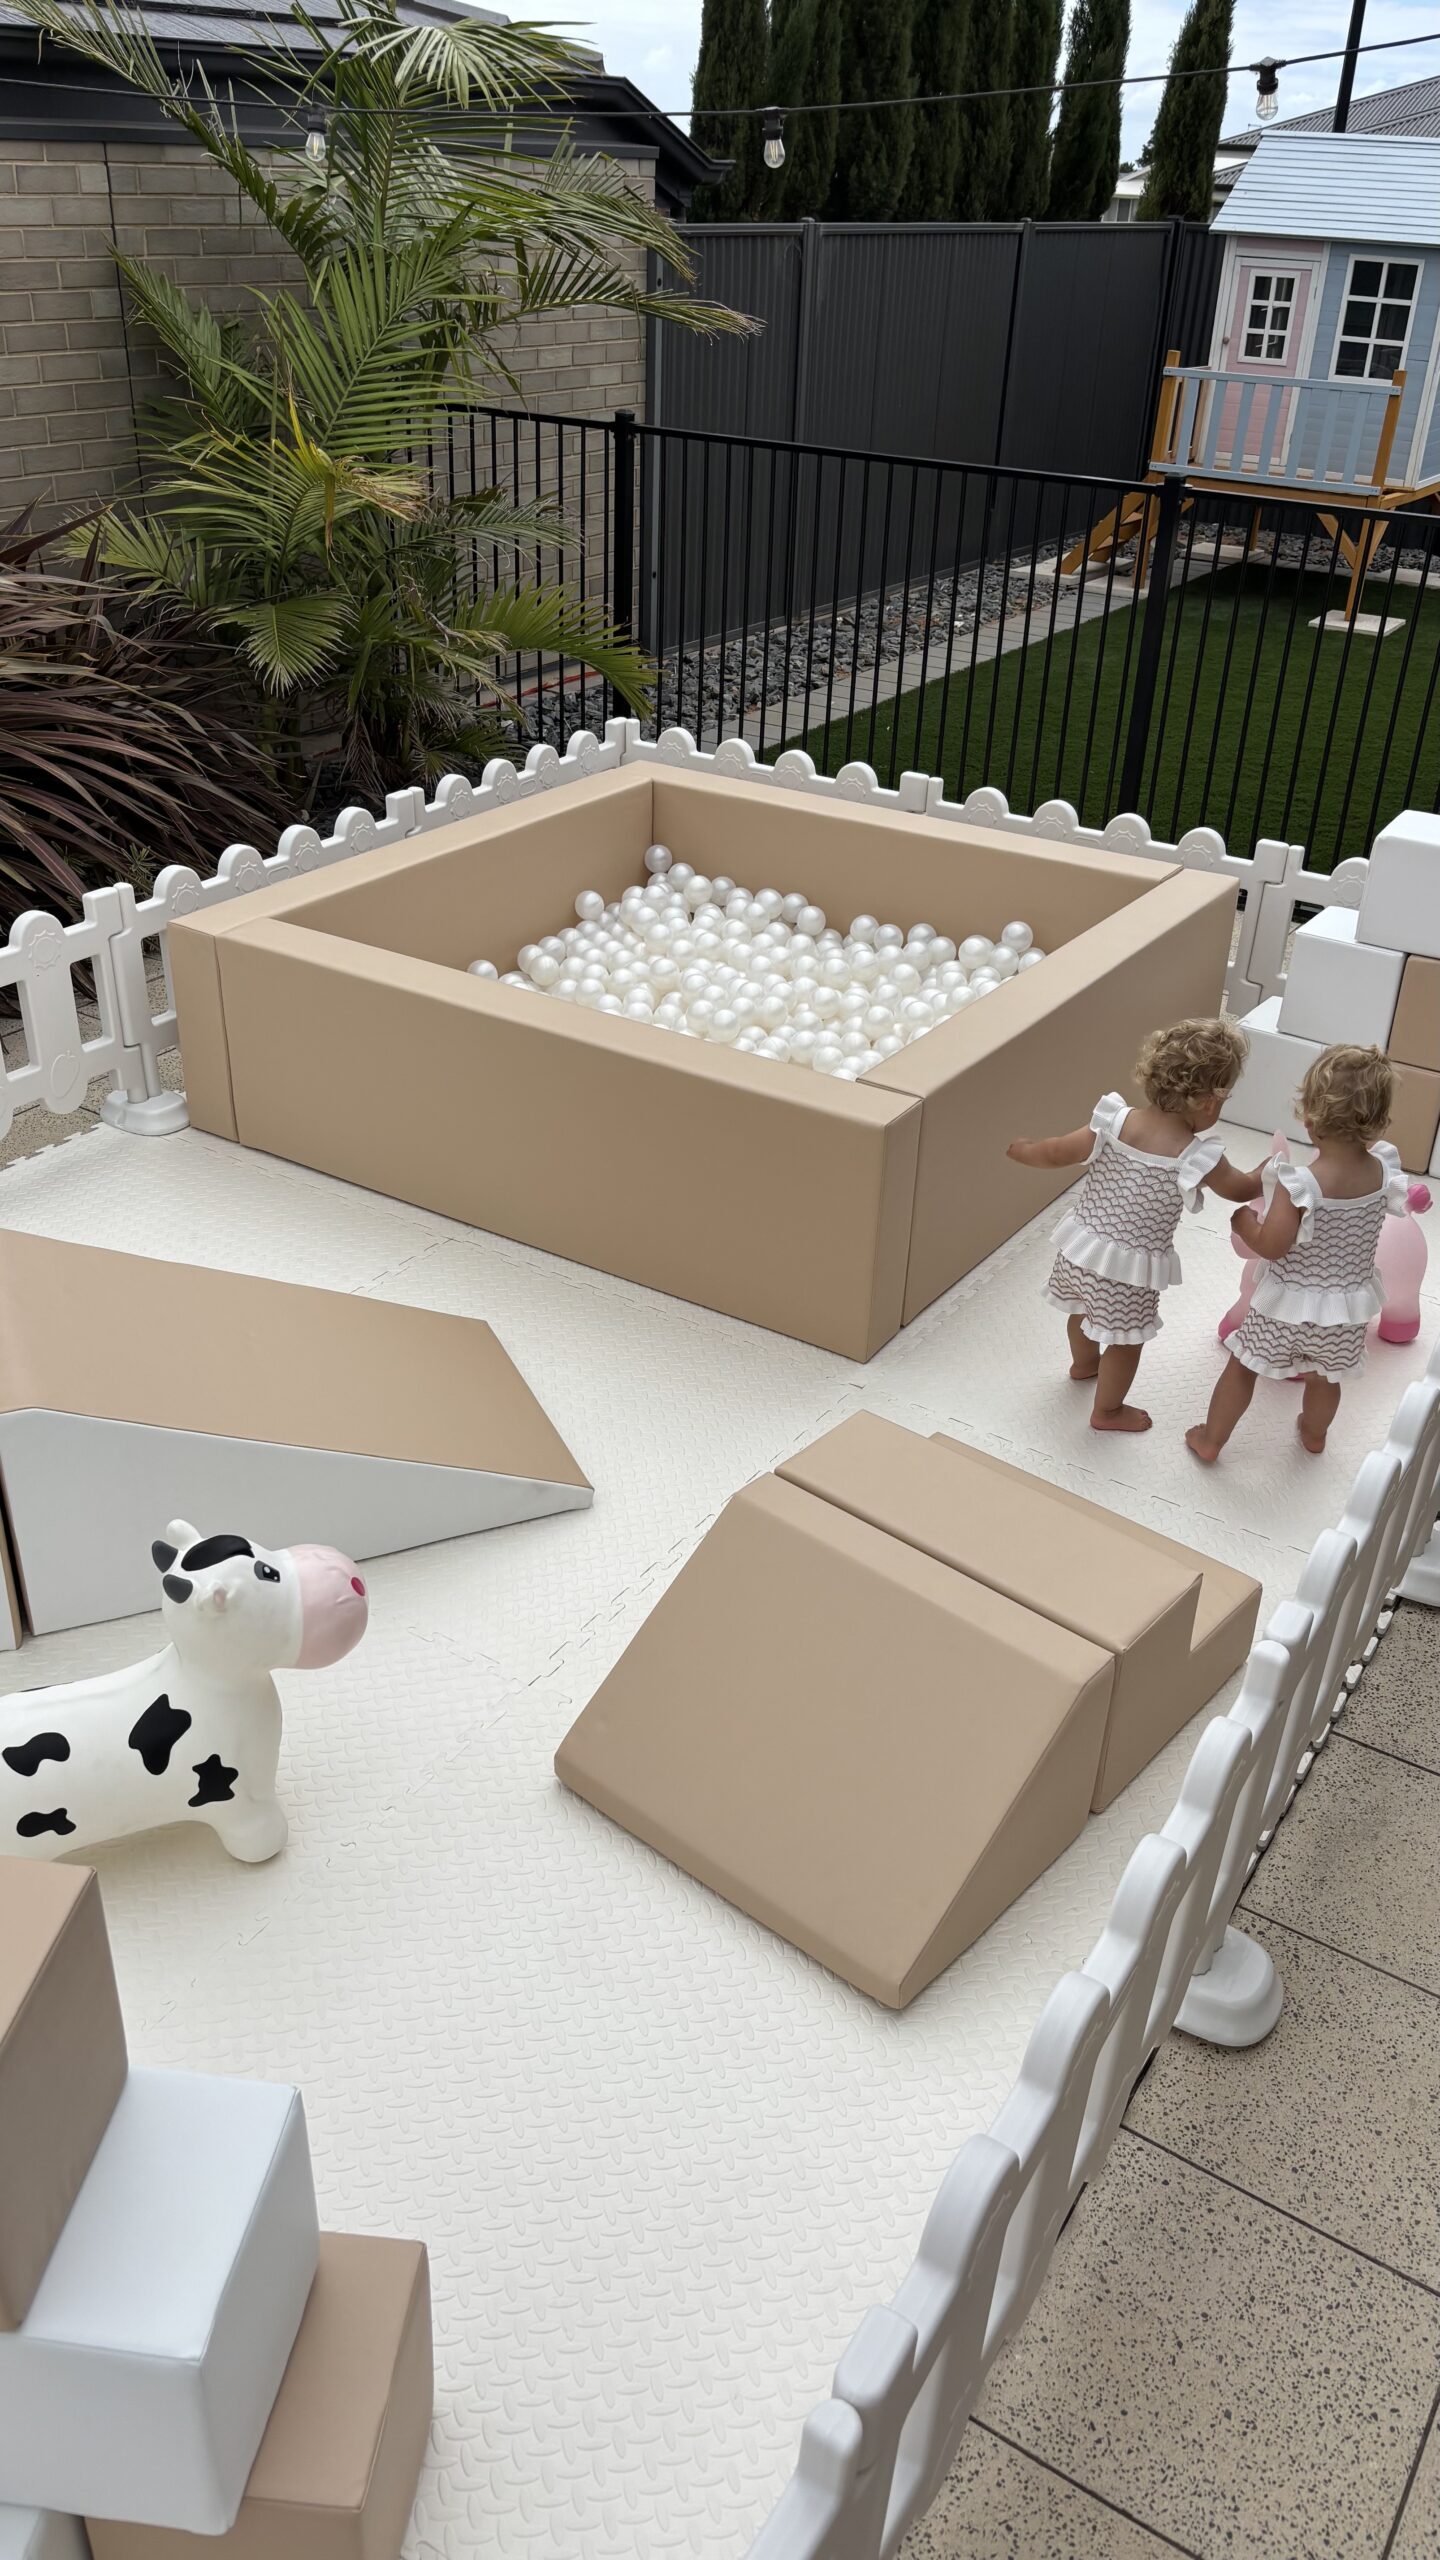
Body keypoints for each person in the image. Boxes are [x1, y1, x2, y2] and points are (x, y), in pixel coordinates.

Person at [1008, 1017, 1262, 1434]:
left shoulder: (1113, 1121)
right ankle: (1107, 1411)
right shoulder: (1197, 1156)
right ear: (1209, 1103)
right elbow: (1238, 1189)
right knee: (1126, 1342)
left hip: (1079, 1251)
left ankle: (1084, 1364)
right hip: (1127, 1275)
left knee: (1081, 1312)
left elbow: (1057, 1153)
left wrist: (1027, 1151)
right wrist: (1262, 1176)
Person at [1186, 1044, 1409, 1464]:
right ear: (1379, 1121)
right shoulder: (1383, 1170)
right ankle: (1313, 1433)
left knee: (1243, 1365)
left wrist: (1243, 1223)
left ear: (1309, 1117)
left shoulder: (1300, 1184)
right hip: (1346, 1312)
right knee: (1325, 1378)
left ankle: (1211, 1439)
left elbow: (1272, 1245)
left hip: (1286, 1308)